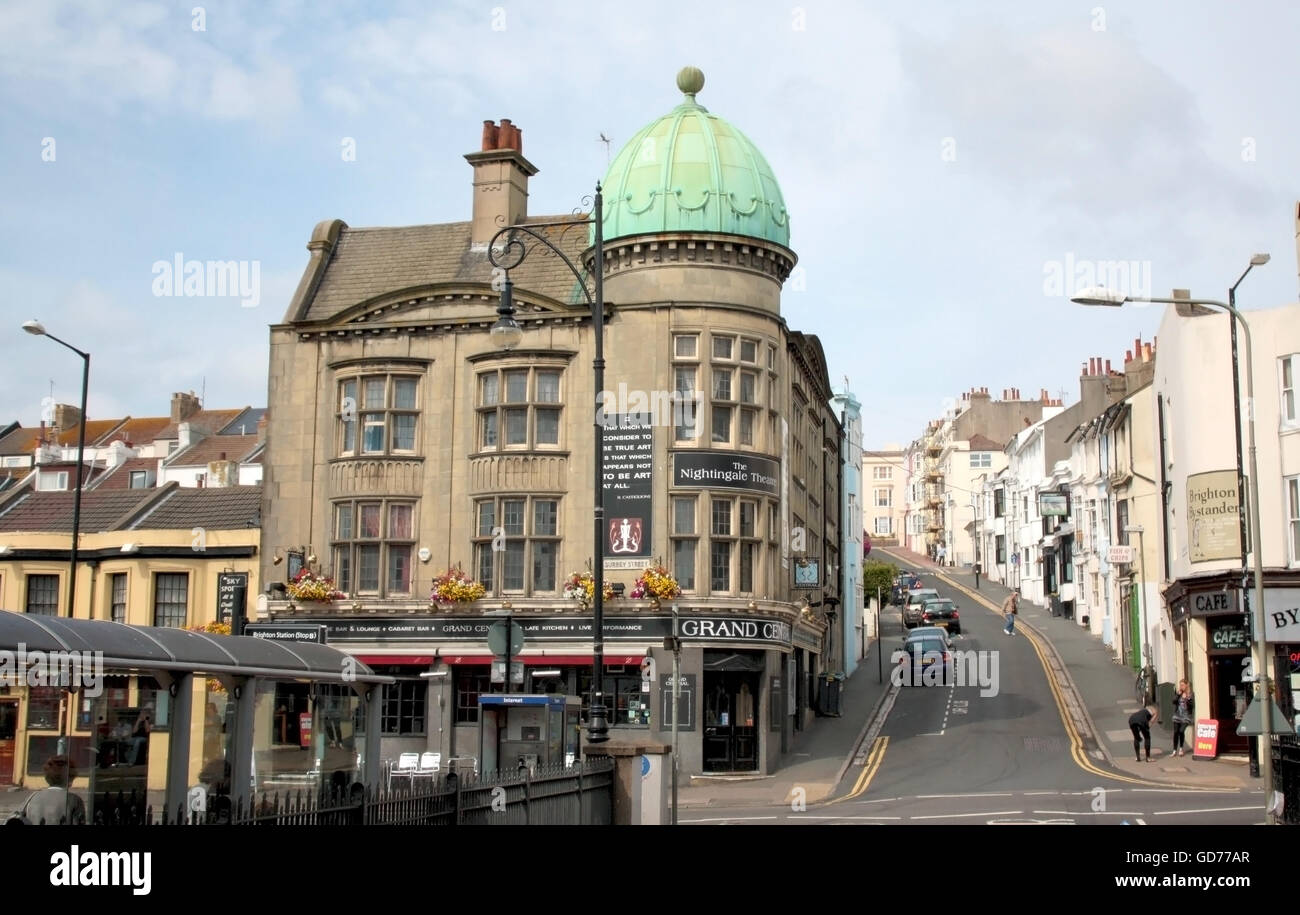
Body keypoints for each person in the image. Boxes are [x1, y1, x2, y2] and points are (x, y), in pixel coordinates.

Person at [1172, 679, 1195, 757]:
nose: (1181, 686)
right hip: (1177, 715)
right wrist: (1178, 695)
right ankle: (1174, 750)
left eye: (1182, 685)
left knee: (1181, 731)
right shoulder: (1179, 693)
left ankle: (1181, 748)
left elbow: (1192, 706)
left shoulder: (1190, 694)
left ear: (1186, 685)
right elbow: (1173, 702)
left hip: (1186, 716)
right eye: (1180, 685)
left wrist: (1187, 699)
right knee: (1175, 732)